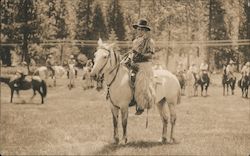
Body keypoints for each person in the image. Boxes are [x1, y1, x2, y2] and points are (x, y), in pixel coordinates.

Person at [127, 18, 155, 115]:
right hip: (134, 64)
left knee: (140, 81)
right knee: (126, 77)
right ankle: (130, 98)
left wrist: (142, 55)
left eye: (142, 29)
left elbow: (151, 55)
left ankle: (141, 105)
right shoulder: (135, 41)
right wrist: (130, 58)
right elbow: (132, 53)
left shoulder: (150, 41)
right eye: (138, 29)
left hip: (144, 65)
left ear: (146, 31)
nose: (139, 31)